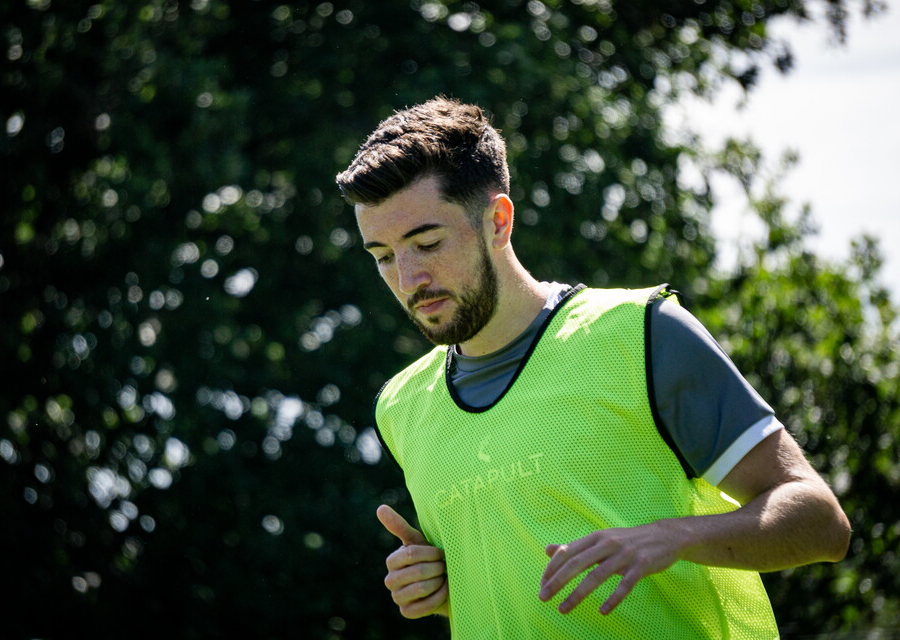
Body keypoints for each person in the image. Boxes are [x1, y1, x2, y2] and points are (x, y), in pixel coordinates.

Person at [335, 96, 850, 638]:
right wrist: (446, 592)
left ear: (498, 221)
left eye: (427, 243)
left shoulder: (644, 333)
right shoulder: (401, 407)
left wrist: (674, 537)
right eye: (383, 256)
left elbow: (821, 522)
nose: (408, 279)